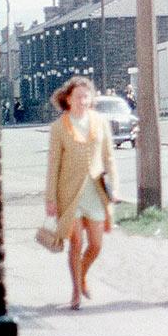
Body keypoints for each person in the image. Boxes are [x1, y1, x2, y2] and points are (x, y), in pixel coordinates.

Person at [44, 77, 120, 310]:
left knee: (96, 245)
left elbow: (109, 158)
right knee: (76, 243)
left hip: (95, 193)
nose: (82, 101)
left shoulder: (100, 122)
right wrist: (51, 198)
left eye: (86, 96)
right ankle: (76, 291)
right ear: (68, 99)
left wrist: (114, 187)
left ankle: (82, 275)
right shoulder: (59, 127)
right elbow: (53, 164)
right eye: (78, 97)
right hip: (69, 194)